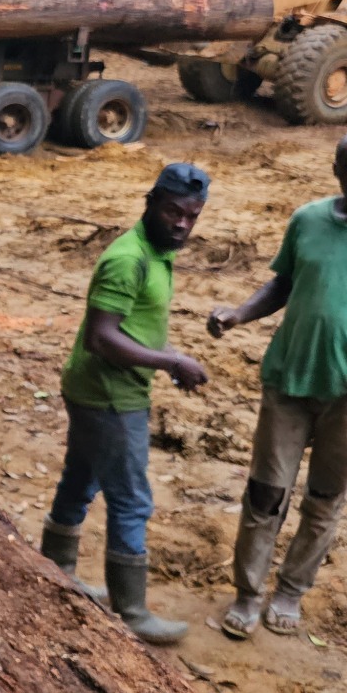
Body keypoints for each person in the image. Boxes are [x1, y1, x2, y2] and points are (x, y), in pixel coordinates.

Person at [209, 129, 347, 638]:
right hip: (288, 381)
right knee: (266, 492)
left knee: (325, 497)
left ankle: (290, 591)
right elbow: (282, 284)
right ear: (336, 170)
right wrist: (239, 315)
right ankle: (247, 591)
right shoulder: (307, 220)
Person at [41, 163, 211, 643]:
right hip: (110, 395)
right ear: (151, 201)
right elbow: (101, 337)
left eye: (192, 216)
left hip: (99, 390)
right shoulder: (128, 259)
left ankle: (57, 571)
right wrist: (171, 361)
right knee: (131, 500)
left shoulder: (157, 252)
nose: (182, 223)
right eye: (174, 211)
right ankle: (131, 610)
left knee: (81, 476)